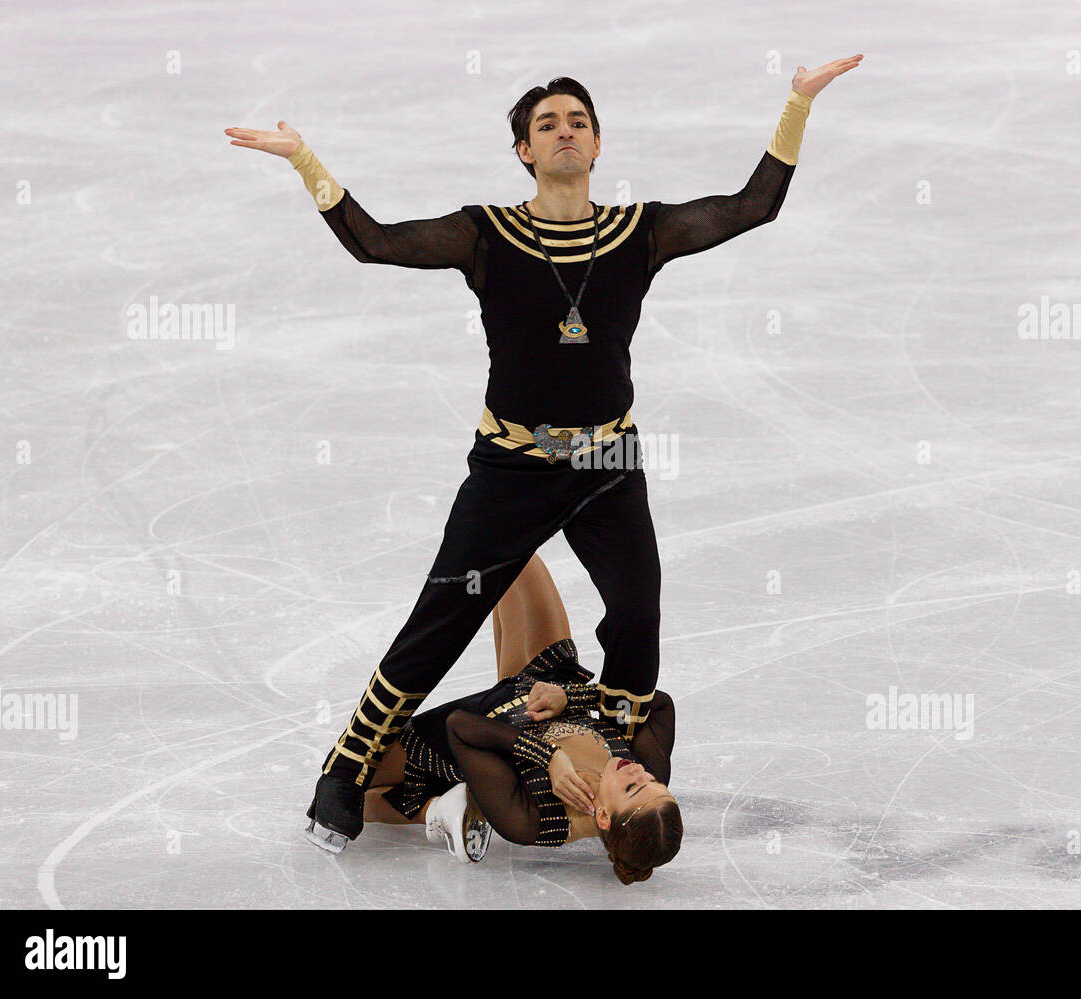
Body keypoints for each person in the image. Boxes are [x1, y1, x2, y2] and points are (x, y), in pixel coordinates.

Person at [223, 54, 864, 853]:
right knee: (439, 620)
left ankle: (614, 753)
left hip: (605, 466)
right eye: (547, 124)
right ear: (525, 150)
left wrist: (797, 102)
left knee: (638, 614)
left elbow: (752, 206)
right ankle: (345, 768)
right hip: (512, 466)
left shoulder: (641, 232)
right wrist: (305, 161)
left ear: (597, 145)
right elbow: (374, 243)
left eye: (578, 121)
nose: (565, 131)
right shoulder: (487, 234)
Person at [361, 552, 680, 885]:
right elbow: (658, 705)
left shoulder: (534, 820)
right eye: (654, 782)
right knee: (512, 551)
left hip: (472, 730)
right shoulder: (644, 772)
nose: (639, 771)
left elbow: (462, 728)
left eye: (632, 787)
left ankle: (439, 809)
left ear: (602, 815)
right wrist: (571, 696)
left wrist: (551, 758)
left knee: (351, 788)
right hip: (544, 682)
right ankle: (460, 800)